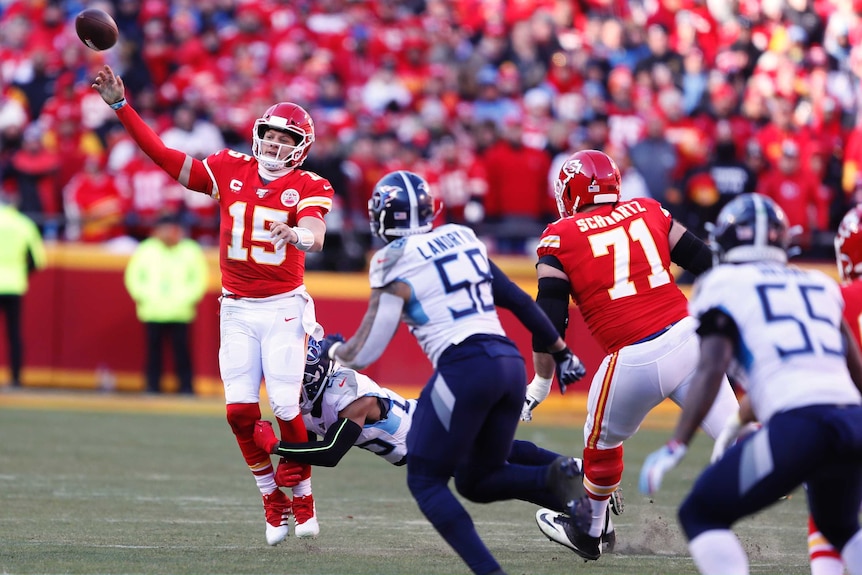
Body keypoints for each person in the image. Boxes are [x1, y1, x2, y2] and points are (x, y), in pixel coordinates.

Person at [92, 65, 335, 544]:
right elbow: (164, 156)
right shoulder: (228, 168)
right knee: (239, 414)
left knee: (286, 404)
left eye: (285, 139)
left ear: (301, 146)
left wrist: (300, 236)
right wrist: (122, 107)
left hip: (283, 306)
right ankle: (270, 494)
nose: (274, 145)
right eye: (269, 135)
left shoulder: (311, 185)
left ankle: (302, 495)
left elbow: (318, 234)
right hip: (238, 308)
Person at [319, 170, 589, 575]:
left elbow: (366, 350)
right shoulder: (463, 238)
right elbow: (520, 301)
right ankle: (556, 474)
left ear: (382, 217)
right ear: (429, 209)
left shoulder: (390, 260)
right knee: (477, 479)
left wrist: (334, 349)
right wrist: (562, 352)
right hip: (508, 364)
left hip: (465, 368)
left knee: (424, 478)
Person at [527, 149, 741, 562]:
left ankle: (590, 530)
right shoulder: (648, 209)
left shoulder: (560, 235)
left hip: (633, 358)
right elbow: (706, 262)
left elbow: (549, 319)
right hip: (690, 339)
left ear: (571, 191)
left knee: (600, 441)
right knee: (740, 441)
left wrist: (539, 382)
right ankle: (815, 477)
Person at [638, 193, 862, 575]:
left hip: (799, 428)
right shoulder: (817, 284)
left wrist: (678, 442)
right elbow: (853, 366)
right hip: (852, 421)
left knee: (700, 512)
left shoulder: (722, 283)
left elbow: (711, 367)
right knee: (838, 525)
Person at [251, 335, 627, 551]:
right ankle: (587, 488)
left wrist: (274, 448)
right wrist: (294, 460)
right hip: (434, 431)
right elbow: (313, 435)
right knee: (505, 458)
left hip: (437, 433)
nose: (289, 387)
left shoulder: (350, 396)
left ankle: (585, 494)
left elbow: (331, 453)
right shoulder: (312, 396)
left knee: (497, 472)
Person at [124, 212, 209, 394]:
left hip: (181, 311)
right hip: (152, 310)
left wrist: (187, 298)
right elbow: (133, 277)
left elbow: (199, 279)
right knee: (153, 352)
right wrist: (145, 296)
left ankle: (186, 387)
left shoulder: (190, 249)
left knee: (182, 352)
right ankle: (152, 386)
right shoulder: (146, 249)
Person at [0, 192, 46, 387]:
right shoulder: (23, 224)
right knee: (14, 334)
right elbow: (38, 260)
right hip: (14, 284)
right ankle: (16, 378)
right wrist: (20, 271)